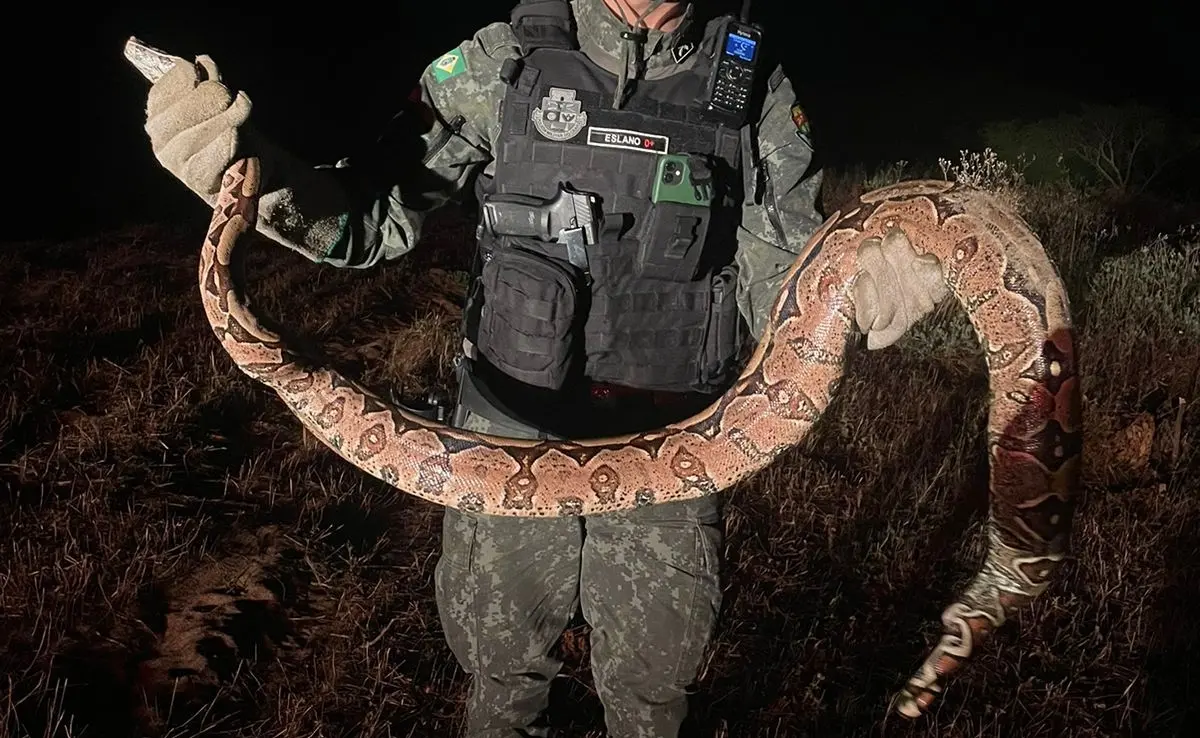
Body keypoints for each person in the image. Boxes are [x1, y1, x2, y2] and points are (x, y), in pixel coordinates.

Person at [142, 0, 938, 734]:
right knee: (500, 678)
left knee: (656, 692)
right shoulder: (505, 60)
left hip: (678, 442)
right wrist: (248, 173)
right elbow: (366, 218)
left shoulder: (754, 88)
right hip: (503, 437)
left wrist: (853, 296)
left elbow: (782, 286)